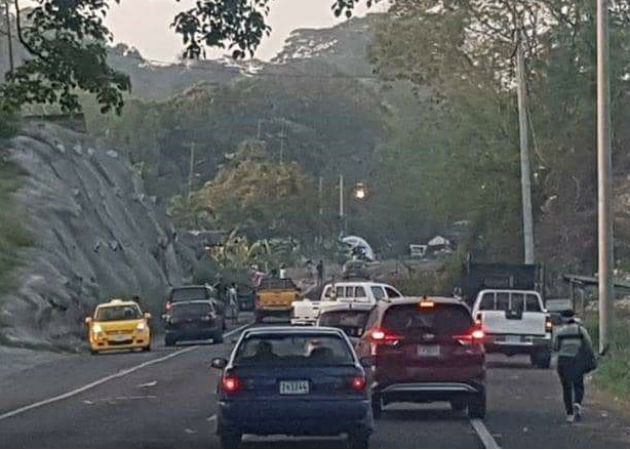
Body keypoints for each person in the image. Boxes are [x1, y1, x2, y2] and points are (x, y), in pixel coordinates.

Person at [553, 310, 596, 423]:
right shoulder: (580, 330)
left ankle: (569, 414)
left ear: (563, 318)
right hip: (576, 360)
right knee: (578, 384)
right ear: (574, 317)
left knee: (566, 387)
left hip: (563, 360)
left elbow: (555, 347)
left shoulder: (560, 331)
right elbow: (588, 345)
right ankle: (577, 403)